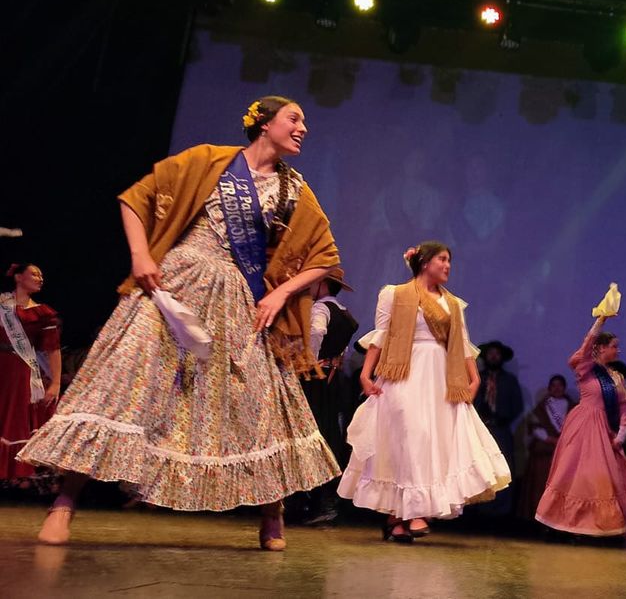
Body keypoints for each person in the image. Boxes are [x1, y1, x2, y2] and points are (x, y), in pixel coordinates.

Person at [18, 96, 342, 550]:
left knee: (256, 400)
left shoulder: (294, 190)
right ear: (264, 124)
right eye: (294, 118)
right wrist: (141, 255)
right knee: (121, 384)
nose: (303, 127)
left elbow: (325, 257)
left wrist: (280, 292)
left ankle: (273, 515)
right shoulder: (208, 160)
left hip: (236, 297)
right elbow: (137, 198)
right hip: (173, 288)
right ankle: (64, 505)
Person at [337, 241, 510, 542]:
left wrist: (474, 378)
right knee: (407, 437)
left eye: (449, 261)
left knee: (431, 442)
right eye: (442, 259)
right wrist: (366, 375)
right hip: (405, 372)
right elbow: (380, 336)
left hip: (440, 378)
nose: (447, 266)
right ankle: (412, 513)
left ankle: (399, 518)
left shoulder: (452, 303)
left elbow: (463, 342)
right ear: (424, 262)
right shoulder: (395, 294)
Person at [535, 307, 626, 537]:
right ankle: (570, 525)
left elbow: (625, 407)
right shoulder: (587, 369)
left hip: (605, 431)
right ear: (601, 348)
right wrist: (600, 321)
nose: (617, 350)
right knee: (578, 476)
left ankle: (598, 527)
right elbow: (582, 350)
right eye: (614, 346)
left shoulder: (617, 377)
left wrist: (622, 432)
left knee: (604, 480)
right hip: (583, 427)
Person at [292, 269, 359, 525]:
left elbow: (317, 332)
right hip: (332, 380)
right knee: (328, 432)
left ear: (322, 284)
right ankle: (320, 499)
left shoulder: (321, 308)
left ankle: (313, 500)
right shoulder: (344, 312)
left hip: (316, 380)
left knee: (309, 433)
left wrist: (309, 361)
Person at [0, 263, 61, 485]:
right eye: (34, 273)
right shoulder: (2, 304)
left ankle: (12, 478)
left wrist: (55, 383)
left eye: (41, 274)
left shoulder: (43, 313)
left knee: (13, 420)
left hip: (20, 372)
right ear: (18, 277)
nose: (39, 278)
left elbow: (52, 350)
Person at [471, 340, 523, 516]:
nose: (493, 356)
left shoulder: (510, 380)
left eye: (497, 354)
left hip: (501, 429)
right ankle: (476, 509)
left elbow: (517, 405)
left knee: (503, 466)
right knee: (477, 466)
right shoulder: (477, 378)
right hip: (479, 428)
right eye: (490, 353)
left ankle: (501, 510)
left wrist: (503, 418)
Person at [516, 373, 575, 521]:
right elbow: (535, 428)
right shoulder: (542, 407)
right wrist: (552, 440)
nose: (557, 388)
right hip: (544, 453)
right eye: (553, 385)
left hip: (566, 453)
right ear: (549, 388)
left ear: (565, 388)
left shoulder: (574, 407)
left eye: (560, 385)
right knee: (541, 486)